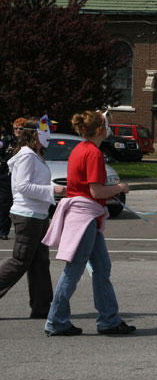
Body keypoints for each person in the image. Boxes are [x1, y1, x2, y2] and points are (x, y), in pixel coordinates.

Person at [42, 110, 135, 336]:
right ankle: (56, 322)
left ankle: (108, 320)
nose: (110, 127)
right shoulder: (92, 153)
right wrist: (120, 188)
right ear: (100, 129)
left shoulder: (79, 149)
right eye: (107, 124)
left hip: (85, 215)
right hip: (84, 217)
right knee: (74, 270)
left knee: (101, 267)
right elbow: (96, 190)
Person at [0, 117, 65, 318]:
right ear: (35, 134)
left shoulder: (35, 155)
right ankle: (42, 306)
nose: (49, 136)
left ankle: (42, 307)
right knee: (20, 261)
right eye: (45, 131)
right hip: (27, 215)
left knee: (40, 262)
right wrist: (52, 189)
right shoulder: (27, 155)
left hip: (38, 215)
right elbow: (22, 186)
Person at [0, 118, 26, 241]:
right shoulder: (8, 140)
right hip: (6, 177)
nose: (17, 131)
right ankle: (3, 231)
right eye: (15, 128)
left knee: (20, 204)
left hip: (21, 177)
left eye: (20, 129)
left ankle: (19, 231)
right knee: (5, 204)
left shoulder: (27, 143)